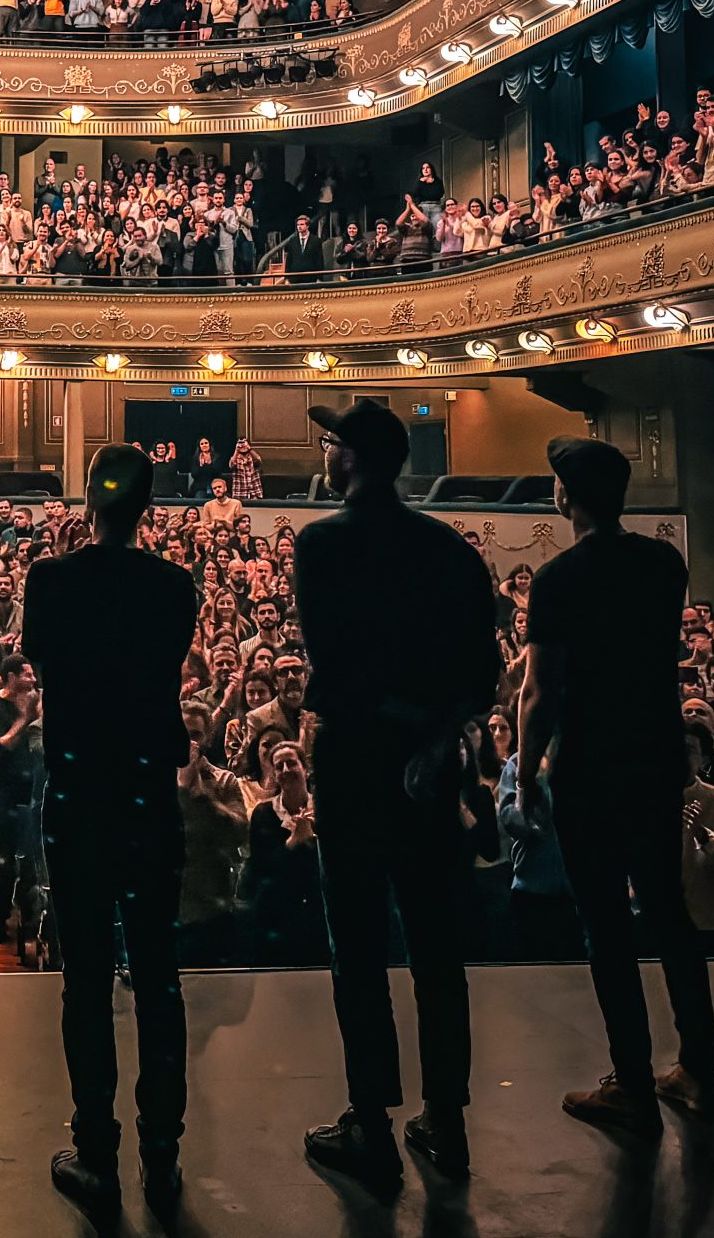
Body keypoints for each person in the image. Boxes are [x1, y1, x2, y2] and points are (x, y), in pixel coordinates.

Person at [295, 401, 500, 1190]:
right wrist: (435, 734)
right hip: (430, 765)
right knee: (437, 948)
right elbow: (481, 671)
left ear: (352, 459)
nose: (325, 453)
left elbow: (335, 661)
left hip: (354, 760)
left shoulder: (323, 543)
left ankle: (371, 1124)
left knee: (358, 945)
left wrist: (400, 725)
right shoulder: (447, 548)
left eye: (331, 443)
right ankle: (446, 1120)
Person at [517, 435, 714, 1134]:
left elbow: (541, 692)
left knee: (606, 925)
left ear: (564, 495)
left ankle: (632, 1082)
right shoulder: (665, 563)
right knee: (670, 913)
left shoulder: (558, 579)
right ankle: (698, 1072)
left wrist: (524, 779)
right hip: (657, 753)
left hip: (591, 763)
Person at [21, 443, 200, 1216]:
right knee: (158, 975)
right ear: (148, 506)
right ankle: (163, 1150)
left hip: (80, 790)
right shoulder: (174, 586)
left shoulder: (51, 580)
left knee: (87, 976)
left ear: (89, 501)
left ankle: (96, 1144)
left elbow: (42, 659)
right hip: (146, 793)